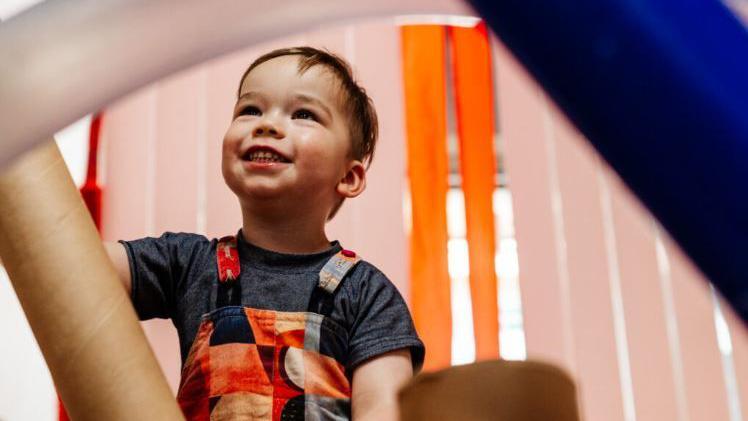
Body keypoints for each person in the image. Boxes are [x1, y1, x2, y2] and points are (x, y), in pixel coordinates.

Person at [104, 46, 424, 421]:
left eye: (304, 114)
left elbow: (384, 410)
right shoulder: (187, 264)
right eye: (249, 110)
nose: (266, 124)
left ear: (348, 177)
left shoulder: (368, 294)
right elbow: (68, 264)